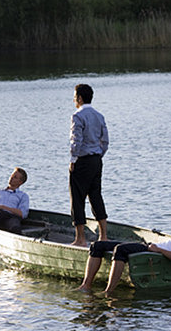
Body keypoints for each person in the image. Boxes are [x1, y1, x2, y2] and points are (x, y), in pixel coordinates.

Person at [77, 221, 171, 295]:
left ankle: (108, 292)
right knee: (98, 246)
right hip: (153, 247)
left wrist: (158, 249)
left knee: (120, 250)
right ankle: (87, 285)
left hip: (152, 249)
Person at [69, 84, 109, 246]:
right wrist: (98, 155)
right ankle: (104, 236)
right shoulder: (99, 116)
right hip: (96, 160)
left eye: (74, 97)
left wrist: (73, 160)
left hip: (82, 161)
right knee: (96, 196)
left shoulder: (77, 116)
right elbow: (105, 141)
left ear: (79, 98)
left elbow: (76, 141)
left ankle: (80, 239)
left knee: (77, 198)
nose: (74, 100)